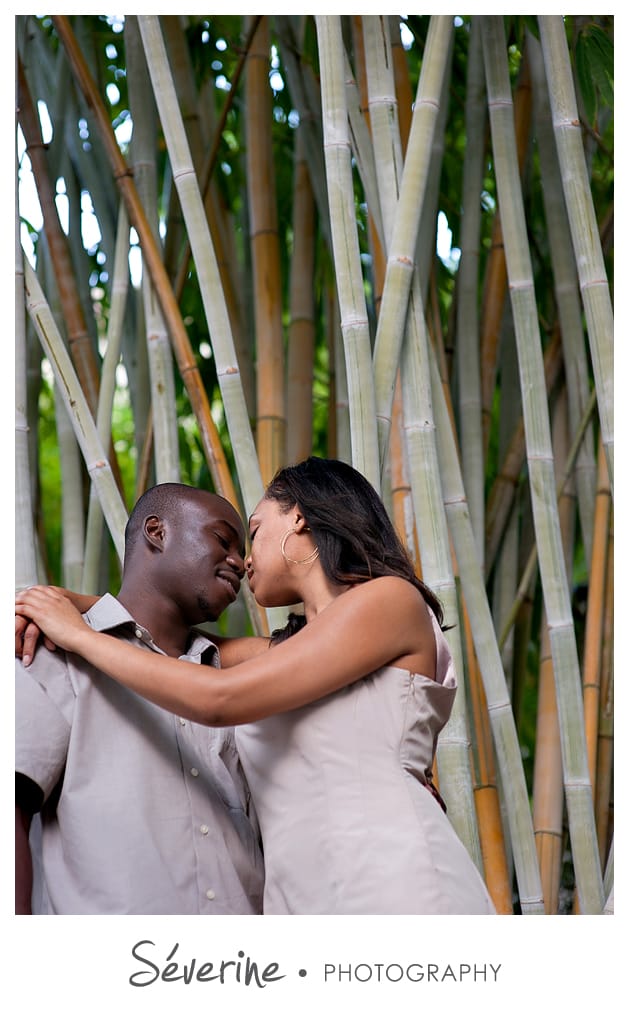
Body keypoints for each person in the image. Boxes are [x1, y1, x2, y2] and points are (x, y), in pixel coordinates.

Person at [16, 456, 496, 915]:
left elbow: (218, 697)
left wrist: (77, 633)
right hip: (298, 902)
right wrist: (63, 602)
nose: (243, 560)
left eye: (254, 531)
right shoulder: (287, 652)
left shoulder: (390, 602)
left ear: (300, 520)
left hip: (388, 874)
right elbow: (165, 641)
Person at [15, 482, 264, 915]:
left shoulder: (235, 683)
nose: (240, 563)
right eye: (223, 539)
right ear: (157, 531)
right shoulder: (55, 649)